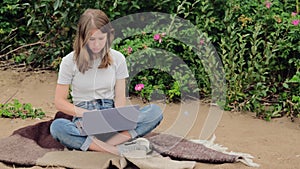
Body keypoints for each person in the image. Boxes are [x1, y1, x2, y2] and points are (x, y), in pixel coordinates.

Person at [50, 9, 163, 156]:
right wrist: (88, 114)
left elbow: (120, 97)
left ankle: (97, 145)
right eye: (91, 39)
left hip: (111, 114)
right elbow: (59, 101)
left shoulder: (118, 58)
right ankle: (116, 149)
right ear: (82, 37)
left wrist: (119, 118)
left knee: (154, 112)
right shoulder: (69, 61)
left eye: (101, 38)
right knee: (58, 127)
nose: (96, 44)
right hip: (84, 117)